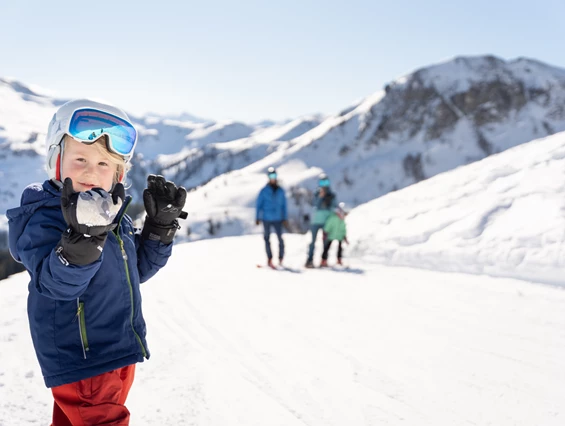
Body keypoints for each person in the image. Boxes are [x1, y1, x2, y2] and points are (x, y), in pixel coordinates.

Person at [6, 99, 187, 425]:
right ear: (55, 161)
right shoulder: (45, 217)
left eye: (105, 164)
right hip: (83, 355)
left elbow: (135, 271)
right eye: (80, 159)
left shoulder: (112, 214)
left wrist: (159, 229)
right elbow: (54, 283)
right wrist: (82, 240)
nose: (92, 170)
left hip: (116, 348)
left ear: (118, 173)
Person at [255, 166, 288, 267]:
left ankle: (280, 257)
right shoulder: (264, 190)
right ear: (268, 177)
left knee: (280, 239)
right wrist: (257, 217)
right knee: (267, 238)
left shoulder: (280, 191)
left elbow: (284, 205)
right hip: (267, 218)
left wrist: (285, 217)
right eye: (271, 176)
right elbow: (259, 204)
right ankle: (270, 258)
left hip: (278, 218)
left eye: (274, 175)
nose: (273, 177)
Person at [305, 172, 337, 268]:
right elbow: (315, 205)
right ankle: (310, 260)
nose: (324, 185)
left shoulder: (332, 195)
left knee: (326, 241)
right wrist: (321, 197)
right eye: (322, 183)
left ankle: (324, 259)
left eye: (326, 182)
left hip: (326, 221)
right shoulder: (316, 194)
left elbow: (334, 207)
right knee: (313, 241)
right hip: (315, 221)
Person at [320, 202, 349, 267]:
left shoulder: (342, 220)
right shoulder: (333, 218)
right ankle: (323, 260)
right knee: (327, 247)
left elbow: (343, 229)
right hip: (331, 235)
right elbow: (328, 226)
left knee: (340, 248)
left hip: (339, 236)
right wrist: (325, 233)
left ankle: (339, 259)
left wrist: (344, 237)